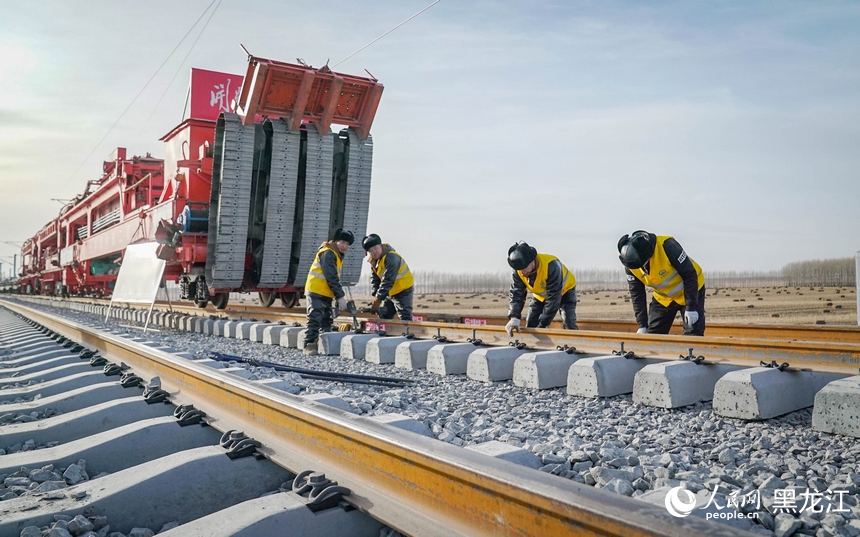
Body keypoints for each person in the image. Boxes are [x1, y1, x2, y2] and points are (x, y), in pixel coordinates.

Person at [617, 230, 705, 336]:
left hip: (690, 290)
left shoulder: (667, 246)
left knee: (693, 332)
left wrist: (691, 307)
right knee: (653, 334)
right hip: (664, 298)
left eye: (642, 264)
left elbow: (689, 274)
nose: (641, 268)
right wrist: (642, 325)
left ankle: (692, 351)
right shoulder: (631, 263)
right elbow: (637, 294)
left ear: (647, 254)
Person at [505, 241, 578, 336]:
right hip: (540, 296)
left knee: (568, 323)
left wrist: (542, 324)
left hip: (565, 292)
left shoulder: (552, 266)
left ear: (532, 261)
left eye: (524, 268)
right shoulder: (518, 270)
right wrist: (514, 318)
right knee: (531, 324)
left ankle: (574, 344)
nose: (522, 272)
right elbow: (516, 293)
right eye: (519, 269)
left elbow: (554, 298)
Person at [302, 228, 354, 355]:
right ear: (336, 241)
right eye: (342, 242)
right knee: (315, 317)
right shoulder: (328, 253)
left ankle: (326, 345)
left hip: (325, 292)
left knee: (326, 319)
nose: (345, 246)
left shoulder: (336, 254)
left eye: (347, 244)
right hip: (316, 290)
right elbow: (331, 276)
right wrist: (340, 296)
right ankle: (309, 345)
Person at [362, 233, 414, 321]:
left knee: (405, 316)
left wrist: (378, 299)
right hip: (390, 292)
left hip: (403, 290)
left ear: (381, 246)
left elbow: (388, 280)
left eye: (375, 248)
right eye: (371, 251)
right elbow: (375, 280)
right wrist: (375, 296)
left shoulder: (392, 257)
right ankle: (386, 334)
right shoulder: (374, 261)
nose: (374, 252)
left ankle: (409, 333)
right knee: (385, 315)